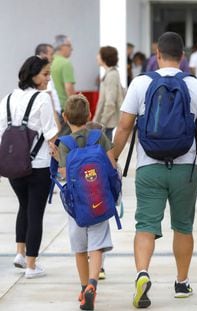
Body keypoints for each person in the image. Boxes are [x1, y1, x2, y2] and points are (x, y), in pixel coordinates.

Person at [113, 32, 197, 308]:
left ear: (157, 55)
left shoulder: (140, 83)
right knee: (183, 227)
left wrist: (112, 155)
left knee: (146, 225)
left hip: (149, 167)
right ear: (183, 58)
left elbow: (124, 126)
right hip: (185, 169)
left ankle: (142, 273)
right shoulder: (196, 87)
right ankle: (182, 283)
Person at [0, 56, 58, 278]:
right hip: (38, 166)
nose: (48, 78)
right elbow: (51, 134)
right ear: (33, 75)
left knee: (23, 206)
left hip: (13, 166)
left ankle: (20, 253)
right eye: (45, 74)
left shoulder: (6, 99)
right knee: (35, 213)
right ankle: (32, 267)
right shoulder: (42, 99)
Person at [56, 94, 115, 310]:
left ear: (65, 117)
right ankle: (93, 284)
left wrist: (57, 161)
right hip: (99, 199)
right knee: (96, 246)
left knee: (80, 248)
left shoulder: (64, 144)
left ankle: (83, 289)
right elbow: (111, 165)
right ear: (89, 115)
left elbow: (63, 173)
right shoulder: (99, 137)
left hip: (77, 206)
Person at [93, 46, 124, 141]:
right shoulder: (109, 74)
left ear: (104, 57)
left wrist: (102, 122)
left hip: (107, 123)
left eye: (99, 54)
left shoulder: (111, 75)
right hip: (106, 123)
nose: (96, 57)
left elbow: (110, 102)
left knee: (105, 151)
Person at [35, 43, 62, 125]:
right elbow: (48, 94)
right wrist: (56, 120)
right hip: (51, 116)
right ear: (43, 55)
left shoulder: (42, 69)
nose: (53, 57)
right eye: (51, 54)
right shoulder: (41, 70)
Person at [51, 34, 76, 112]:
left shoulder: (49, 61)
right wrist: (75, 108)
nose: (72, 49)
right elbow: (69, 88)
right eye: (69, 45)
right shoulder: (65, 63)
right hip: (63, 108)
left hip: (51, 107)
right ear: (61, 46)